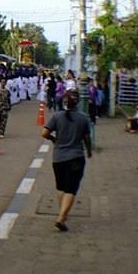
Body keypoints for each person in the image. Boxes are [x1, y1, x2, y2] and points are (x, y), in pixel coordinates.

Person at [41, 91, 92, 232]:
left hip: (58, 158)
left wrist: (53, 139)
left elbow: (44, 132)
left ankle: (62, 212)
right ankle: (61, 218)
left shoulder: (57, 116)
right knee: (71, 189)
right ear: (78, 102)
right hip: (76, 157)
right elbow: (87, 138)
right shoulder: (83, 118)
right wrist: (89, 151)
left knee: (61, 187)